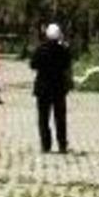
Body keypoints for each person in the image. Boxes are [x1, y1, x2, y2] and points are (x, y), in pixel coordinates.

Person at [30, 22, 72, 154]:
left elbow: (33, 65)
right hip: (58, 88)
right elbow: (67, 65)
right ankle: (62, 144)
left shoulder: (41, 49)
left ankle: (45, 144)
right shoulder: (63, 50)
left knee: (43, 118)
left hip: (43, 88)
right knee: (60, 118)